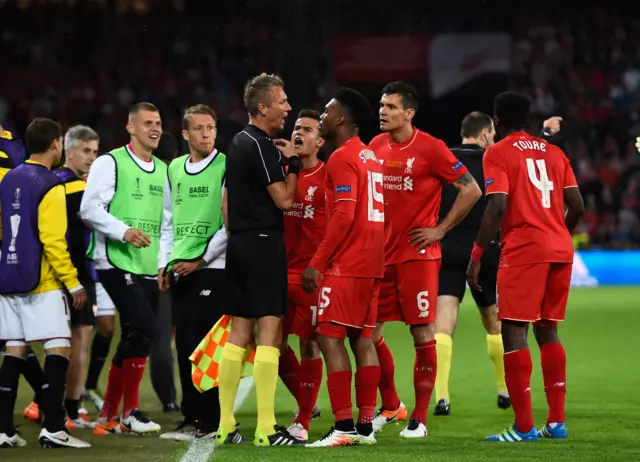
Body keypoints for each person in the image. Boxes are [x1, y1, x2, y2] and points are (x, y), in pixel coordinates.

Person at [467, 91, 584, 442]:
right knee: (548, 329)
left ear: (496, 122)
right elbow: (577, 205)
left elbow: (497, 206)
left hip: (523, 251)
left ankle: (523, 427)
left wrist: (476, 256)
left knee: (514, 330)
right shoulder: (555, 152)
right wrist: (557, 232)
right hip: (560, 250)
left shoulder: (497, 152)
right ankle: (557, 422)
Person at [368, 81, 482, 438]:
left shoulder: (431, 148)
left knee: (422, 334)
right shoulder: (376, 146)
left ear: (409, 113)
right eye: (381, 105)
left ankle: (419, 418)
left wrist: (440, 230)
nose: (383, 111)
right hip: (380, 257)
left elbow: (472, 188)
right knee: (368, 334)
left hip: (418, 257)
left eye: (390, 106)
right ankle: (391, 405)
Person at [434, 113, 564, 416]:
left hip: (449, 245)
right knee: (494, 320)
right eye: (491, 134)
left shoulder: (447, 159)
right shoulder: (496, 157)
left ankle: (442, 396)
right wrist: (545, 134)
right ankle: (505, 389)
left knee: (444, 318)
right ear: (483, 134)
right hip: (487, 246)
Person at [216, 73, 303, 447]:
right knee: (270, 332)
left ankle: (225, 425)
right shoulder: (262, 145)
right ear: (262, 107)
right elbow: (285, 201)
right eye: (282, 101)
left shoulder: (236, 143)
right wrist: (295, 164)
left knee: (238, 333)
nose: (287, 107)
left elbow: (225, 204)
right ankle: (267, 428)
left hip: (238, 243)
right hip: (265, 243)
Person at [0, 118, 90, 449]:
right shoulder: (50, 184)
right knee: (58, 347)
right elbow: (53, 240)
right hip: (42, 282)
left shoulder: (8, 178)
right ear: (56, 145)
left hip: (8, 276)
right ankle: (54, 427)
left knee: (16, 350)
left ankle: (3, 429)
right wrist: (73, 282)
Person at [302, 87, 384, 447]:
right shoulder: (371, 156)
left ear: (341, 119)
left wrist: (317, 263)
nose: (321, 115)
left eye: (326, 110)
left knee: (328, 337)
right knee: (363, 339)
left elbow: (345, 214)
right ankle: (365, 424)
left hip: (347, 264)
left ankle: (344, 426)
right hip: (372, 262)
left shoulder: (341, 158)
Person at [80, 102, 165, 435]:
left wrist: (164, 261)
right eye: (147, 123)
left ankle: (107, 414)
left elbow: (167, 222)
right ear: (130, 127)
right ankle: (130, 411)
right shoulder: (110, 162)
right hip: (114, 259)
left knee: (136, 336)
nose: (155, 129)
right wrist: (123, 230)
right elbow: (89, 208)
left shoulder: (163, 169)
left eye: (158, 123)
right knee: (144, 328)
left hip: (148, 263)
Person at [158, 104, 227, 441]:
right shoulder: (174, 169)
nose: (206, 134)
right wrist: (165, 262)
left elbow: (231, 222)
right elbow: (168, 220)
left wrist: (201, 259)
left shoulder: (226, 165)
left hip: (213, 267)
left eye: (211, 128)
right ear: (185, 134)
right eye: (199, 129)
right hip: (181, 268)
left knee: (205, 346)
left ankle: (211, 419)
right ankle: (192, 417)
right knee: (184, 343)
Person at [281, 109, 326, 441]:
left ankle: (303, 420)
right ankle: (306, 401)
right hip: (278, 272)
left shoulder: (329, 176)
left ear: (319, 141)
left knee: (310, 345)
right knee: (272, 344)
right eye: (296, 128)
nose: (299, 133)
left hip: (311, 275)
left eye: (307, 130)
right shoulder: (282, 171)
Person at [52, 125, 100, 429]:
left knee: (53, 343)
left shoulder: (52, 181)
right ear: (68, 152)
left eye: (95, 152)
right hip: (77, 274)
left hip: (53, 272)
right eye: (86, 151)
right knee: (79, 341)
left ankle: (48, 404)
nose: (92, 158)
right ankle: (71, 408)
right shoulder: (76, 188)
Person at [0, 124, 47, 425]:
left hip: (5, 247)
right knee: (13, 336)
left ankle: (46, 398)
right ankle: (47, 397)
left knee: (13, 336)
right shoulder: (11, 145)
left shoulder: (11, 145)